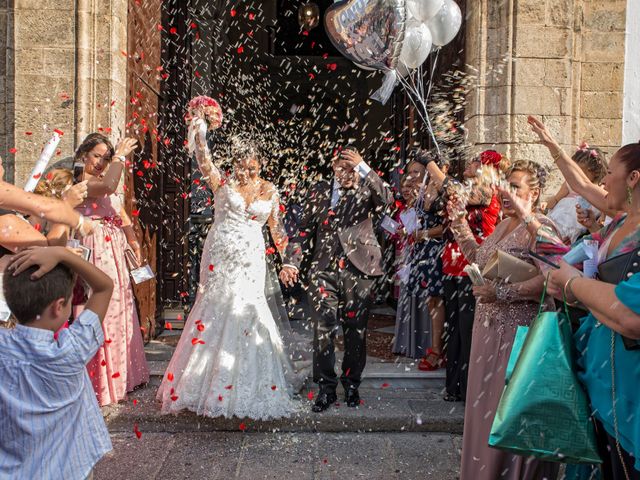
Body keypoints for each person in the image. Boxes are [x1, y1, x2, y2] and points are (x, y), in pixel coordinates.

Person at [512, 117, 640, 479]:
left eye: (611, 171)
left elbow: (632, 316)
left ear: (634, 178)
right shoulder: (620, 219)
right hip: (599, 368)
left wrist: (570, 283)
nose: (603, 180)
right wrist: (552, 145)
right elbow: (580, 183)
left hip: (629, 378)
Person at [157, 97, 301, 420]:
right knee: (219, 307)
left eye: (253, 167)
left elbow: (277, 232)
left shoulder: (270, 191)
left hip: (251, 256)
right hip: (221, 252)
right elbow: (203, 159)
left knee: (249, 309)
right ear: (234, 163)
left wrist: (289, 259)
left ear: (261, 165)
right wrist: (201, 130)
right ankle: (204, 384)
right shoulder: (222, 182)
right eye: (242, 166)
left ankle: (251, 384)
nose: (247, 172)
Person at [449, 160, 560, 480]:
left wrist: (502, 294)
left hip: (519, 333)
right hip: (488, 330)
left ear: (535, 193)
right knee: (485, 410)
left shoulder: (541, 227)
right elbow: (479, 258)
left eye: (516, 186)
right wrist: (458, 223)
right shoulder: (502, 224)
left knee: (509, 411)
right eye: (506, 184)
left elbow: (550, 280)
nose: (506, 192)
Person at [281, 146, 393, 412]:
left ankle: (352, 384)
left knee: (355, 329)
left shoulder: (368, 187)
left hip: (360, 269)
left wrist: (364, 167)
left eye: (352, 168)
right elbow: (303, 230)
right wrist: (290, 261)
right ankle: (326, 388)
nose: (347, 174)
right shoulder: (319, 190)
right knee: (323, 328)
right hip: (324, 269)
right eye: (342, 168)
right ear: (333, 168)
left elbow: (387, 201)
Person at [0, 246, 114, 479]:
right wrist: (62, 254)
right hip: (69, 471)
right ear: (59, 306)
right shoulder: (71, 350)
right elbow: (104, 287)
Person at [74, 132, 149, 406]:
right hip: (94, 247)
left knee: (119, 310)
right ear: (84, 155)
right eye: (97, 156)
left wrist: (132, 240)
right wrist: (118, 158)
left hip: (114, 250)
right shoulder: (81, 182)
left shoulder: (106, 180)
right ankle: (99, 383)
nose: (101, 162)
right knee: (100, 310)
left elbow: (121, 211)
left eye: (106, 158)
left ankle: (122, 377)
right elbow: (108, 186)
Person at [428, 150, 505, 401]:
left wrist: (430, 165)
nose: (469, 164)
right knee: (455, 328)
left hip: (473, 265)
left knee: (468, 326)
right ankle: (454, 386)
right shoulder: (465, 190)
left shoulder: (486, 191)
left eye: (475, 161)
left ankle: (469, 387)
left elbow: (460, 193)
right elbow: (433, 203)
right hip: (452, 264)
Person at [391, 173, 431, 358]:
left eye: (410, 186)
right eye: (404, 187)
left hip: (418, 256)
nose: (406, 190)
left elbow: (421, 233)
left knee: (418, 298)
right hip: (404, 254)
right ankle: (404, 341)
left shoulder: (423, 209)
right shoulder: (402, 209)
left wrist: (409, 233)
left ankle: (420, 344)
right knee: (405, 297)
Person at [544, 144, 608, 243]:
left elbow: (604, 207)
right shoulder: (570, 184)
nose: (576, 177)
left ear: (595, 172)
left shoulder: (600, 189)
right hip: (561, 218)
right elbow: (556, 198)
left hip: (579, 227)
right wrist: (546, 206)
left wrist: (603, 217)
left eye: (581, 173)